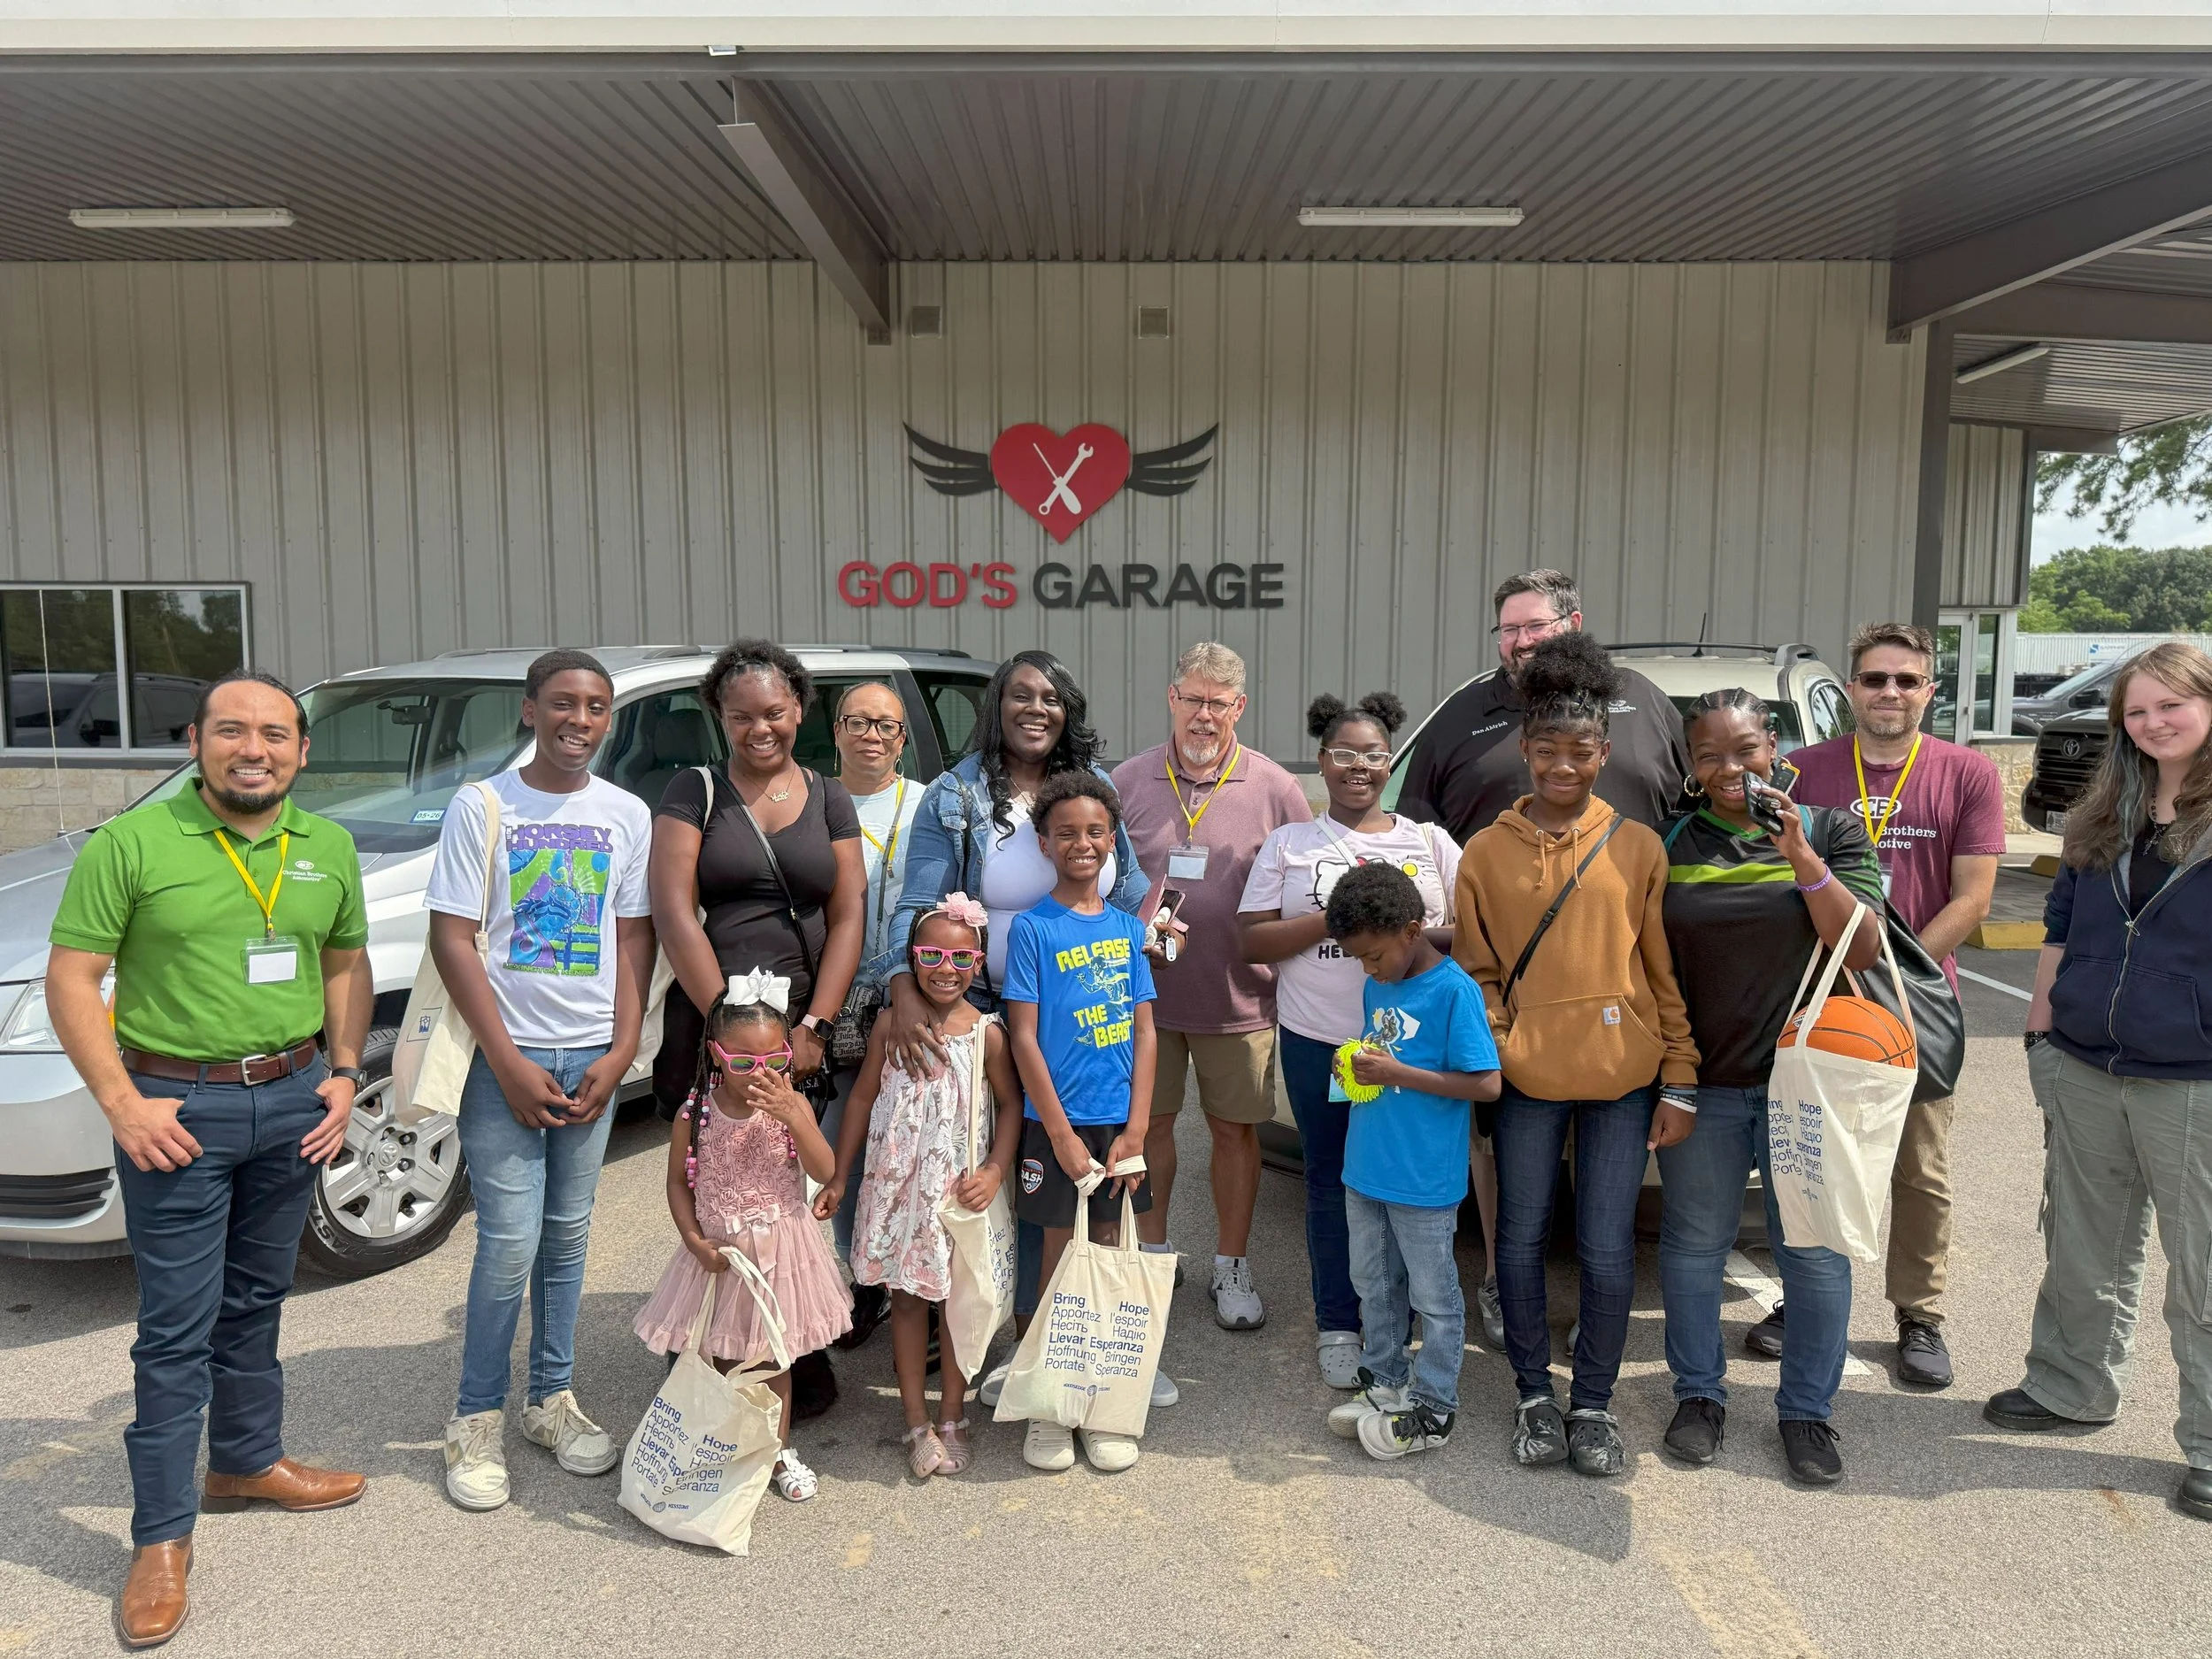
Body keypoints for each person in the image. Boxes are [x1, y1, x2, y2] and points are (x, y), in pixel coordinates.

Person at [46, 672, 373, 1648]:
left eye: (275, 733)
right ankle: (159, 1537)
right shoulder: (132, 843)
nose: (253, 749)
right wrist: (119, 1102)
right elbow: (74, 976)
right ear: (196, 739)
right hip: (175, 1111)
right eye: (232, 730)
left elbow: (344, 961)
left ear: (302, 751)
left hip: (292, 1102)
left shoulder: (329, 846)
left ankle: (244, 1461)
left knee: (257, 1301)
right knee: (176, 1329)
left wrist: (347, 1070)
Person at [1452, 634, 1700, 1478]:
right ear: (1524, 751)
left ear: (1603, 752)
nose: (1564, 765)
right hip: (1526, 1081)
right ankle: (1531, 1393)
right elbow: (1479, 972)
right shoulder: (1484, 854)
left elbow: (1662, 973)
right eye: (1548, 749)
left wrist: (1681, 1075)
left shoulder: (1638, 848)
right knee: (1518, 1242)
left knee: (1603, 1245)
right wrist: (1501, 1039)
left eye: (1581, 750)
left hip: (1623, 1083)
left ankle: (1591, 1401)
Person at [878, 650, 1151, 1408]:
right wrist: (903, 986)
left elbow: (1127, 891)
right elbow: (915, 902)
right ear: (997, 704)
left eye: (1053, 697)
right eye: (1021, 695)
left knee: (1061, 1167)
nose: (1037, 708)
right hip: (977, 1011)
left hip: (1072, 1014)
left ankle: (1074, 1339)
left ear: (1069, 711)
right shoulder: (956, 795)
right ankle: (973, 1336)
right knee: (980, 1176)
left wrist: (1153, 940)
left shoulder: (1088, 795)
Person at [1985, 641, 2212, 1524]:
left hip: (2191, 1080)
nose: (2153, 722)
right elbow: (2060, 922)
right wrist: (2041, 1030)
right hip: (2083, 1064)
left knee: (2201, 1273)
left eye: (2172, 706)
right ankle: (2072, 1387)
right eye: (2137, 709)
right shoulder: (2109, 807)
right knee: (2082, 1245)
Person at [430, 650, 657, 1512]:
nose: (580, 720)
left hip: (588, 1057)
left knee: (567, 1236)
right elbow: (453, 938)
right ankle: (474, 1416)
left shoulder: (623, 814)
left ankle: (548, 1402)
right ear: (530, 710)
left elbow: (634, 937)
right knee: (508, 1244)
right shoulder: (483, 806)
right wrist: (506, 1060)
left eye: (596, 707)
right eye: (563, 703)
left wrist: (621, 1048)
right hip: (509, 1062)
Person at [1654, 688, 1882, 1487]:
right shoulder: (1672, 839)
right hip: (1705, 1086)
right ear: (1689, 761)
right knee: (1692, 1246)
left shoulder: (1830, 828)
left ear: (1774, 744)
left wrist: (1801, 855)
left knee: (1814, 1252)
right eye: (1708, 754)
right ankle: (1698, 1397)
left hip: (1805, 1089)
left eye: (1744, 749)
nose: (1729, 768)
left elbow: (1862, 948)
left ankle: (1807, 1414)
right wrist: (1671, 1078)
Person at [1783, 621, 2004, 1389]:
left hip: (1916, 1001)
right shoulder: (1802, 769)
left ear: (1930, 692)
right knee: (1812, 1154)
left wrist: (1897, 976)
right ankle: (1803, 1299)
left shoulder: (1967, 773)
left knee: (1919, 1167)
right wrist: (1845, 973)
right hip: (1819, 996)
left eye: (1907, 681)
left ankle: (1919, 1312)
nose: (1890, 693)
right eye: (1876, 679)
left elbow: (1974, 896)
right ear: (1851, 689)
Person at [649, 639, 864, 1420]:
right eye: (742, 715)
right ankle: (705, 1344)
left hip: (798, 1029)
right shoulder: (694, 789)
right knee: (719, 1189)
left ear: (799, 710)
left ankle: (791, 1352)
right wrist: (729, 1037)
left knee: (789, 1190)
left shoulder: (828, 793)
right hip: (715, 1034)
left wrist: (814, 1024)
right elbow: (676, 908)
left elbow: (849, 914)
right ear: (721, 716)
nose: (760, 728)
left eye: (774, 712)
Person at [1240, 692, 1468, 1387]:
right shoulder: (1292, 843)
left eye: (1374, 755)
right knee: (1332, 1182)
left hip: (1410, 1053)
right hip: (1323, 1044)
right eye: (1344, 754)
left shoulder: (1427, 841)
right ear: (1322, 761)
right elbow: (1250, 941)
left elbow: (1475, 932)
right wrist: (1336, 920)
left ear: (1391, 760)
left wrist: (1400, 932)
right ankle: (1339, 1321)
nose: (1359, 767)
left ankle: (1398, 1322)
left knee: (1407, 1188)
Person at [1112, 641, 1310, 1332]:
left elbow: (1305, 883)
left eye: (1218, 704)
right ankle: (1157, 1255)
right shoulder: (1127, 781)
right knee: (1152, 1129)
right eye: (1192, 699)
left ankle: (1231, 1263)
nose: (1203, 716)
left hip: (1240, 997)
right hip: (1146, 1001)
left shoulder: (1275, 787)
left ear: (1239, 708)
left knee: (1234, 1131)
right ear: (1171, 698)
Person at [815, 896, 1022, 1479]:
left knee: (958, 1301)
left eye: (960, 956)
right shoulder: (890, 1023)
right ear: (911, 958)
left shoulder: (988, 1034)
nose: (945, 967)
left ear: (979, 962)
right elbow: (860, 1098)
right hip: (897, 1192)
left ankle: (952, 1413)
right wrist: (838, 1172)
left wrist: (995, 1171)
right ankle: (915, 1420)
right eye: (930, 954)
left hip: (958, 1195)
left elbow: (1010, 1106)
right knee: (906, 1301)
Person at [634, 974, 852, 1503]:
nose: (760, 1074)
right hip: (720, 1257)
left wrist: (794, 1118)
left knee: (774, 1360)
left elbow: (825, 1169)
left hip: (781, 1254)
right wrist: (691, 1238)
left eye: (773, 1060)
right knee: (716, 1357)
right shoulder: (696, 1113)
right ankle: (718, 1446)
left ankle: (774, 1454)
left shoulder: (791, 1105)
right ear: (715, 1055)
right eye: (742, 1063)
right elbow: (677, 1183)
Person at [1000, 772, 1160, 1474]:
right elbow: (1024, 1038)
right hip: (1054, 1126)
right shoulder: (1033, 929)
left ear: (1113, 840)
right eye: (1066, 832)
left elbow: (1146, 1032)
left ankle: (1101, 1405)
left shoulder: (1129, 930)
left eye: (1096, 831)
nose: (1082, 843)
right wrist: (1060, 1135)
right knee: (1060, 1263)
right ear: (1044, 842)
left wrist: (1138, 1128)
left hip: (1117, 1126)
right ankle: (1049, 1407)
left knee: (1111, 1262)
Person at [1317, 864, 1502, 1463]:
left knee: (1435, 1298)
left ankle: (1435, 1405)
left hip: (1424, 1177)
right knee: (1373, 1283)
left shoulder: (1454, 990)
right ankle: (1385, 1382)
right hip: (1365, 1166)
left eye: (1373, 956)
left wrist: (1395, 1073)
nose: (1367, 970)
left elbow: (1487, 1083)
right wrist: (1353, 1071)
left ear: (1412, 929)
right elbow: (1379, 1056)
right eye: (1358, 960)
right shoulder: (1379, 982)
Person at [1394, 567, 1690, 839]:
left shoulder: (1639, 696)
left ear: (1573, 624)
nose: (1522, 642)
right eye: (1509, 629)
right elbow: (1414, 831)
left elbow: (1699, 802)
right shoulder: (1460, 714)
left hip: (1634, 894)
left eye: (1536, 625)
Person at [822, 680, 926, 1352]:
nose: (872, 736)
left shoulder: (926, 805)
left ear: (903, 738)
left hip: (912, 993)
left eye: (886, 726)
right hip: (834, 997)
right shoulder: (812, 800)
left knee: (916, 1145)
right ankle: (862, 1282)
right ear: (835, 730)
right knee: (843, 1147)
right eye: (858, 722)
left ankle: (917, 1281)